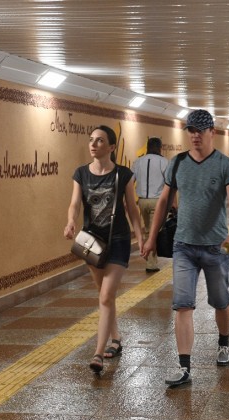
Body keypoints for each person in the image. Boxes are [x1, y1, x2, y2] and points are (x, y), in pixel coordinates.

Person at [141, 109, 229, 387]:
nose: (195, 135)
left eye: (200, 130)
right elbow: (164, 201)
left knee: (220, 301)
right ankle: (184, 366)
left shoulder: (225, 165)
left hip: (216, 247)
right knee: (182, 305)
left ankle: (223, 343)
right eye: (191, 130)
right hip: (183, 246)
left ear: (212, 132)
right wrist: (151, 237)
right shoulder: (177, 163)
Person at [64, 125, 145, 373]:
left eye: (99, 140)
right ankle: (116, 338)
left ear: (111, 147)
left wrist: (140, 237)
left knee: (106, 296)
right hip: (91, 242)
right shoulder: (81, 174)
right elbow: (75, 203)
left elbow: (132, 208)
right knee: (104, 296)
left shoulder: (123, 174)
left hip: (118, 240)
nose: (93, 144)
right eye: (91, 140)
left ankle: (98, 353)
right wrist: (70, 221)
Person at [132, 137, 169, 272]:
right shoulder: (164, 162)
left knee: (148, 230)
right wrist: (173, 203)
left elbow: (130, 181)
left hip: (142, 201)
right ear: (160, 148)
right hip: (157, 201)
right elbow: (170, 184)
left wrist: (127, 200)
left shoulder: (138, 162)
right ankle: (152, 264)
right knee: (155, 232)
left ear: (147, 147)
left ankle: (150, 262)